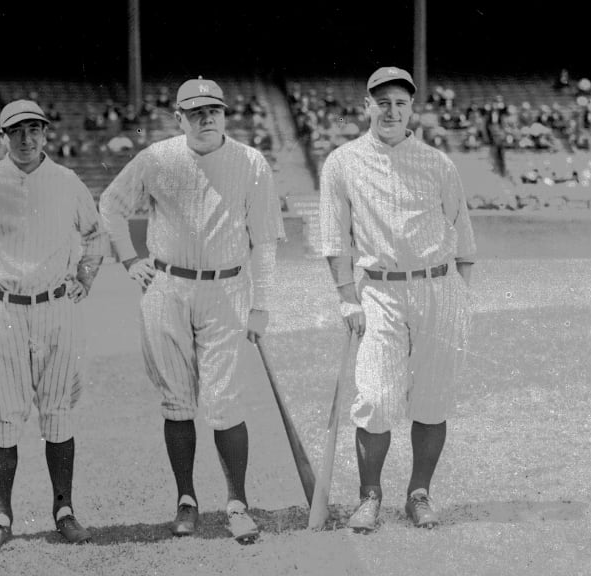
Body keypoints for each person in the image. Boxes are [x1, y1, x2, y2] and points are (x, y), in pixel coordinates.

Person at [99, 77, 284, 544]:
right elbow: (111, 204)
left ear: (224, 115)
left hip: (228, 288)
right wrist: (130, 259)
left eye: (214, 111)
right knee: (177, 400)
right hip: (167, 286)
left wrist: (261, 306)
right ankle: (186, 499)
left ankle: (237, 503)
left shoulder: (251, 162)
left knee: (223, 402)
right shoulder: (156, 158)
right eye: (196, 113)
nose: (206, 119)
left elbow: (264, 242)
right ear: (179, 118)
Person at [319, 66, 476, 532]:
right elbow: (334, 239)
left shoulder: (437, 163)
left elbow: (464, 237)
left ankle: (419, 494)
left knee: (432, 399)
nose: (391, 111)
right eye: (382, 102)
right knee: (375, 398)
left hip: (438, 288)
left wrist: (460, 297)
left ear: (412, 109)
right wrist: (347, 298)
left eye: (400, 104)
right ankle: (370, 496)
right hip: (379, 290)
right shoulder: (342, 162)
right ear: (367, 106)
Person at [0, 99, 105, 555]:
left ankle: (64, 511)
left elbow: (95, 235)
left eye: (34, 129)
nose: (26, 138)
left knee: (58, 412)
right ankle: (2, 516)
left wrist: (84, 278)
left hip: (55, 308)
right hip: (2, 313)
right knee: (4, 418)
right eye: (16, 131)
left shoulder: (67, 181)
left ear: (46, 133)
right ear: (2, 137)